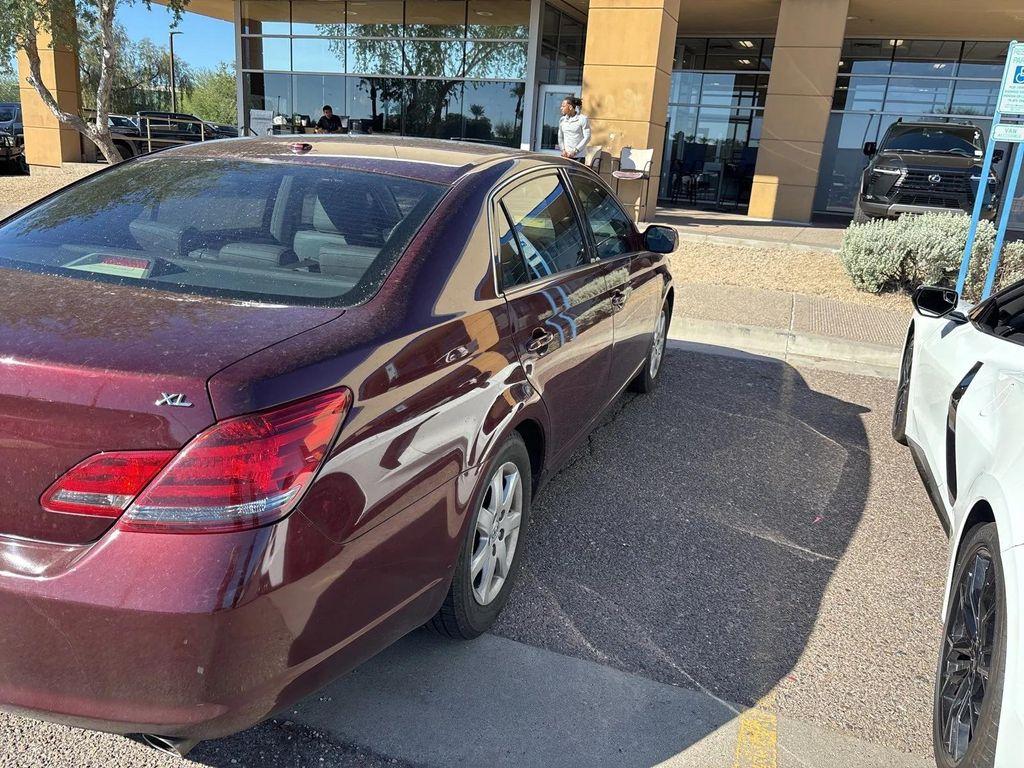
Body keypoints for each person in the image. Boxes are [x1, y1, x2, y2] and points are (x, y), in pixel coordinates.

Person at [557, 96, 591, 162]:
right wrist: (563, 150)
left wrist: (575, 151)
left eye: (563, 106)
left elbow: (587, 137)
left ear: (570, 107)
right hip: (565, 156)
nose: (561, 108)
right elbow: (560, 137)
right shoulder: (562, 120)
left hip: (579, 157)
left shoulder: (582, 119)